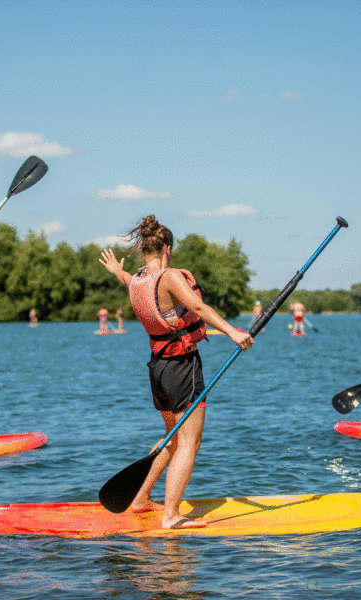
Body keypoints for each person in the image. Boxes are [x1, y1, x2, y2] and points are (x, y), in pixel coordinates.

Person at [99, 215, 254, 529]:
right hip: (182, 367)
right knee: (188, 443)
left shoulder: (139, 280)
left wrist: (118, 271)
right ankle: (171, 516)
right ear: (167, 248)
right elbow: (197, 308)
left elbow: (127, 280)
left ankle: (141, 499)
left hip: (158, 369)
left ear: (145, 250)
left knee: (172, 438)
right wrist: (234, 333)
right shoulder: (169, 277)